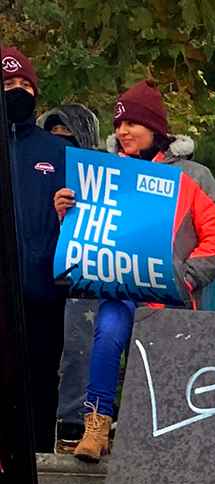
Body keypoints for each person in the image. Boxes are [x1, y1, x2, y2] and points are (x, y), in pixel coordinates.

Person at [53, 80, 215, 460]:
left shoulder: (187, 177)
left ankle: (167, 444)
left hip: (170, 301)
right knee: (107, 333)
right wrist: (66, 215)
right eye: (118, 124)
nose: (122, 131)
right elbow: (83, 240)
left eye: (133, 122)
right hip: (120, 292)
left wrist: (185, 277)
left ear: (157, 129)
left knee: (163, 374)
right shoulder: (102, 176)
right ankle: (97, 426)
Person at [4, 47, 68, 452]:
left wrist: (68, 211)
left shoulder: (56, 151)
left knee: (41, 380)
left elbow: (86, 215)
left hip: (42, 289)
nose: (17, 91)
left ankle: (42, 463)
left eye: (24, 84)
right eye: (8, 85)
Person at [39, 103, 102, 453]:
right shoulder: (36, 173)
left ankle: (77, 423)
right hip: (41, 278)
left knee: (82, 349)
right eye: (54, 139)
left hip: (84, 279)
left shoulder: (103, 180)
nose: (62, 147)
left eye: (70, 140)